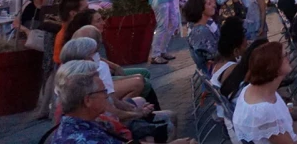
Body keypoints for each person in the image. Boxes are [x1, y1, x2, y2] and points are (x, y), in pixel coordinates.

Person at [51, 59, 196, 144]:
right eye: (103, 92)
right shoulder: (83, 138)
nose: (107, 95)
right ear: (87, 100)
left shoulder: (83, 122)